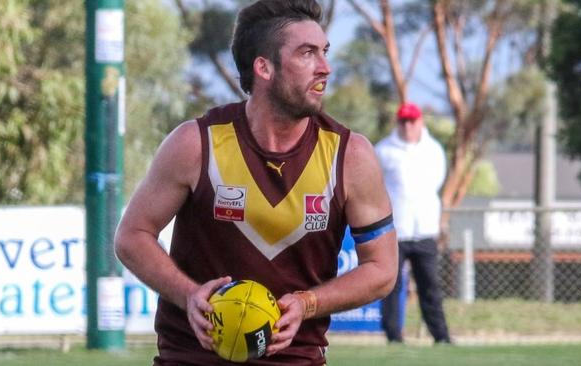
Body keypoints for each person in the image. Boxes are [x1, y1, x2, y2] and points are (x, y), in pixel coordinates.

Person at [114, 1, 397, 365]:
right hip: (189, 358)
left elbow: (383, 269)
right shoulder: (196, 144)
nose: (325, 67)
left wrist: (307, 303)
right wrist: (189, 295)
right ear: (263, 67)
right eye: (307, 53)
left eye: (324, 52)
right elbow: (132, 235)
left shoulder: (351, 155)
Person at [375, 102, 451, 345]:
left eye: (412, 121)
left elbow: (436, 183)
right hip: (394, 231)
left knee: (430, 286)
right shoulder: (383, 150)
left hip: (424, 230)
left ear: (420, 123)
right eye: (403, 121)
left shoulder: (434, 150)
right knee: (391, 286)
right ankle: (393, 335)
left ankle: (441, 336)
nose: (407, 126)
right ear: (397, 123)